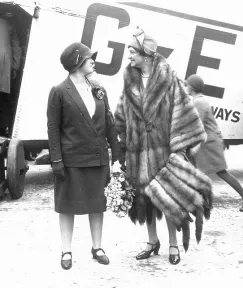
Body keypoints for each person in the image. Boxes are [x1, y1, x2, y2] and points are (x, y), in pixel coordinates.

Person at [114, 28, 206, 265]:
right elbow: (121, 115)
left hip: (163, 152)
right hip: (137, 152)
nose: (129, 56)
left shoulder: (170, 80)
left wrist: (180, 148)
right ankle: (152, 240)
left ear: (146, 54)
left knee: (167, 198)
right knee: (144, 199)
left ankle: (173, 244)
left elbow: (185, 112)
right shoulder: (129, 81)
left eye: (132, 51)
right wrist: (121, 148)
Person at [47, 42, 119, 269]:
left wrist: (116, 156)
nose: (93, 61)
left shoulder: (99, 88)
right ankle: (66, 250)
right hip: (71, 160)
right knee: (67, 205)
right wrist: (56, 160)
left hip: (98, 158)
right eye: (89, 58)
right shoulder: (59, 91)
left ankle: (97, 247)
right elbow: (53, 128)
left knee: (98, 204)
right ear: (77, 62)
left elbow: (109, 123)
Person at [185, 74, 243, 212]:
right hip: (207, 142)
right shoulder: (198, 101)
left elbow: (198, 127)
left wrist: (193, 145)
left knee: (221, 172)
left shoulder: (199, 102)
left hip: (209, 143)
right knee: (199, 172)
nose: (185, 87)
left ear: (192, 87)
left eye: (186, 85)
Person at [0, 12, 22, 136]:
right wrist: (15, 67)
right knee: (3, 97)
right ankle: (3, 128)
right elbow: (17, 48)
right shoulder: (10, 25)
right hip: (4, 66)